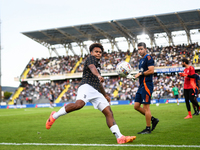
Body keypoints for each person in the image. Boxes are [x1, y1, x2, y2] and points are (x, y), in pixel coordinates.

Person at [46, 43, 136, 144]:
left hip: (96, 91)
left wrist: (105, 95)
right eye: (96, 52)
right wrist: (98, 75)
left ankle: (120, 137)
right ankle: (54, 116)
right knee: (79, 105)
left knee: (108, 112)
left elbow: (99, 83)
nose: (98, 54)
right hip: (86, 86)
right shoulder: (91, 59)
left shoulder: (98, 65)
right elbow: (92, 68)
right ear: (91, 52)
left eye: (100, 52)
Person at [134, 42, 159, 134]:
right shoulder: (141, 60)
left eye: (141, 49)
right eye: (138, 49)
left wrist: (140, 74)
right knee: (136, 106)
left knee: (146, 107)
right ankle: (153, 119)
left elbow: (151, 71)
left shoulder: (149, 57)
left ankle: (148, 129)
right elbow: (141, 73)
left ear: (145, 49)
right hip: (141, 86)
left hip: (146, 85)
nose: (140, 51)